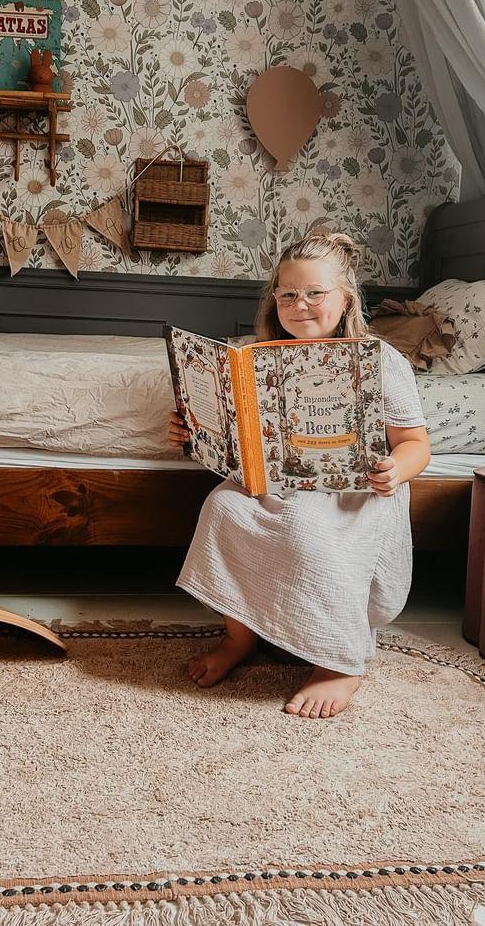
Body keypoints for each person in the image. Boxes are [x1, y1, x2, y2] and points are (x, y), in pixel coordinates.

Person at [168, 230, 431, 719]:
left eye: (315, 293)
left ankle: (341, 662)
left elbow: (416, 444)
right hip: (278, 482)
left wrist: (396, 471)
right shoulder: (258, 357)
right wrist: (192, 426)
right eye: (288, 294)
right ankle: (238, 636)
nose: (300, 304)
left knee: (308, 530)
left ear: (345, 297)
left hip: (354, 490)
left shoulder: (379, 360)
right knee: (222, 506)